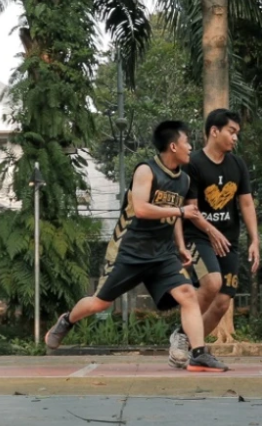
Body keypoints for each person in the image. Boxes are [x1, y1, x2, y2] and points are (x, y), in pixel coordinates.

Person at [46, 121, 225, 372]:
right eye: (187, 142)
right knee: (100, 303)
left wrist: (181, 246)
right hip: (129, 250)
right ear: (173, 146)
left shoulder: (183, 180)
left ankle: (198, 353)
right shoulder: (146, 170)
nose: (190, 147)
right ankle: (67, 320)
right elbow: (141, 209)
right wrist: (182, 210)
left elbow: (172, 217)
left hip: (161, 254)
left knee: (187, 294)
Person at [168, 109, 261, 369]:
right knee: (211, 283)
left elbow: (246, 203)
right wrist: (211, 230)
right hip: (197, 237)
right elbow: (191, 209)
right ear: (214, 131)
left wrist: (255, 240)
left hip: (228, 241)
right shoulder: (194, 163)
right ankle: (181, 338)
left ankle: (190, 344)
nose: (235, 138)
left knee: (221, 303)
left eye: (237, 134)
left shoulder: (238, 165)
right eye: (231, 132)